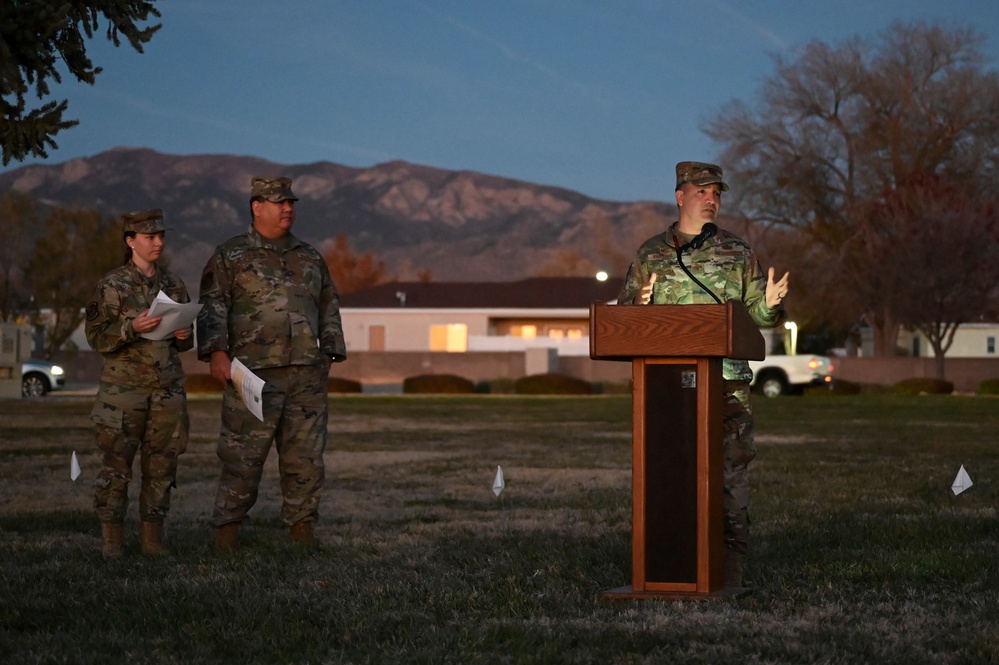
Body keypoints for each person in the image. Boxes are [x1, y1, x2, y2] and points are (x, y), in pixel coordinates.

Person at [617, 161, 789, 587]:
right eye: (702, 192)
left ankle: (728, 574)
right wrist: (636, 307)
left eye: (717, 193)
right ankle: (666, 570)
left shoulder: (736, 251)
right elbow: (625, 315)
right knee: (668, 474)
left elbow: (757, 317)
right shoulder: (652, 253)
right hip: (665, 387)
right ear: (680, 196)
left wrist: (768, 304)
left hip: (726, 384)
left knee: (730, 476)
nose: (712, 199)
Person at [197, 176, 346, 549]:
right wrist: (217, 352)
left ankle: (302, 532)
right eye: (279, 203)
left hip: (306, 376)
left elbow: (328, 302)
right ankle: (227, 534)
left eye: (291, 202)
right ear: (256, 206)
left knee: (305, 459)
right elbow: (213, 305)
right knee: (242, 458)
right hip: (252, 374)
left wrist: (330, 348)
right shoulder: (229, 254)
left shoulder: (309, 256)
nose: (287, 209)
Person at [85, 209, 194, 558]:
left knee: (162, 467)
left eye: (161, 235)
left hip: (166, 392)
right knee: (117, 468)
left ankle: (152, 542)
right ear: (130, 241)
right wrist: (131, 329)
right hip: (124, 393)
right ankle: (112, 543)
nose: (158, 242)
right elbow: (96, 338)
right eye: (150, 237)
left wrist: (183, 334)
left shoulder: (174, 284)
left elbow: (185, 343)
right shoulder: (112, 285)